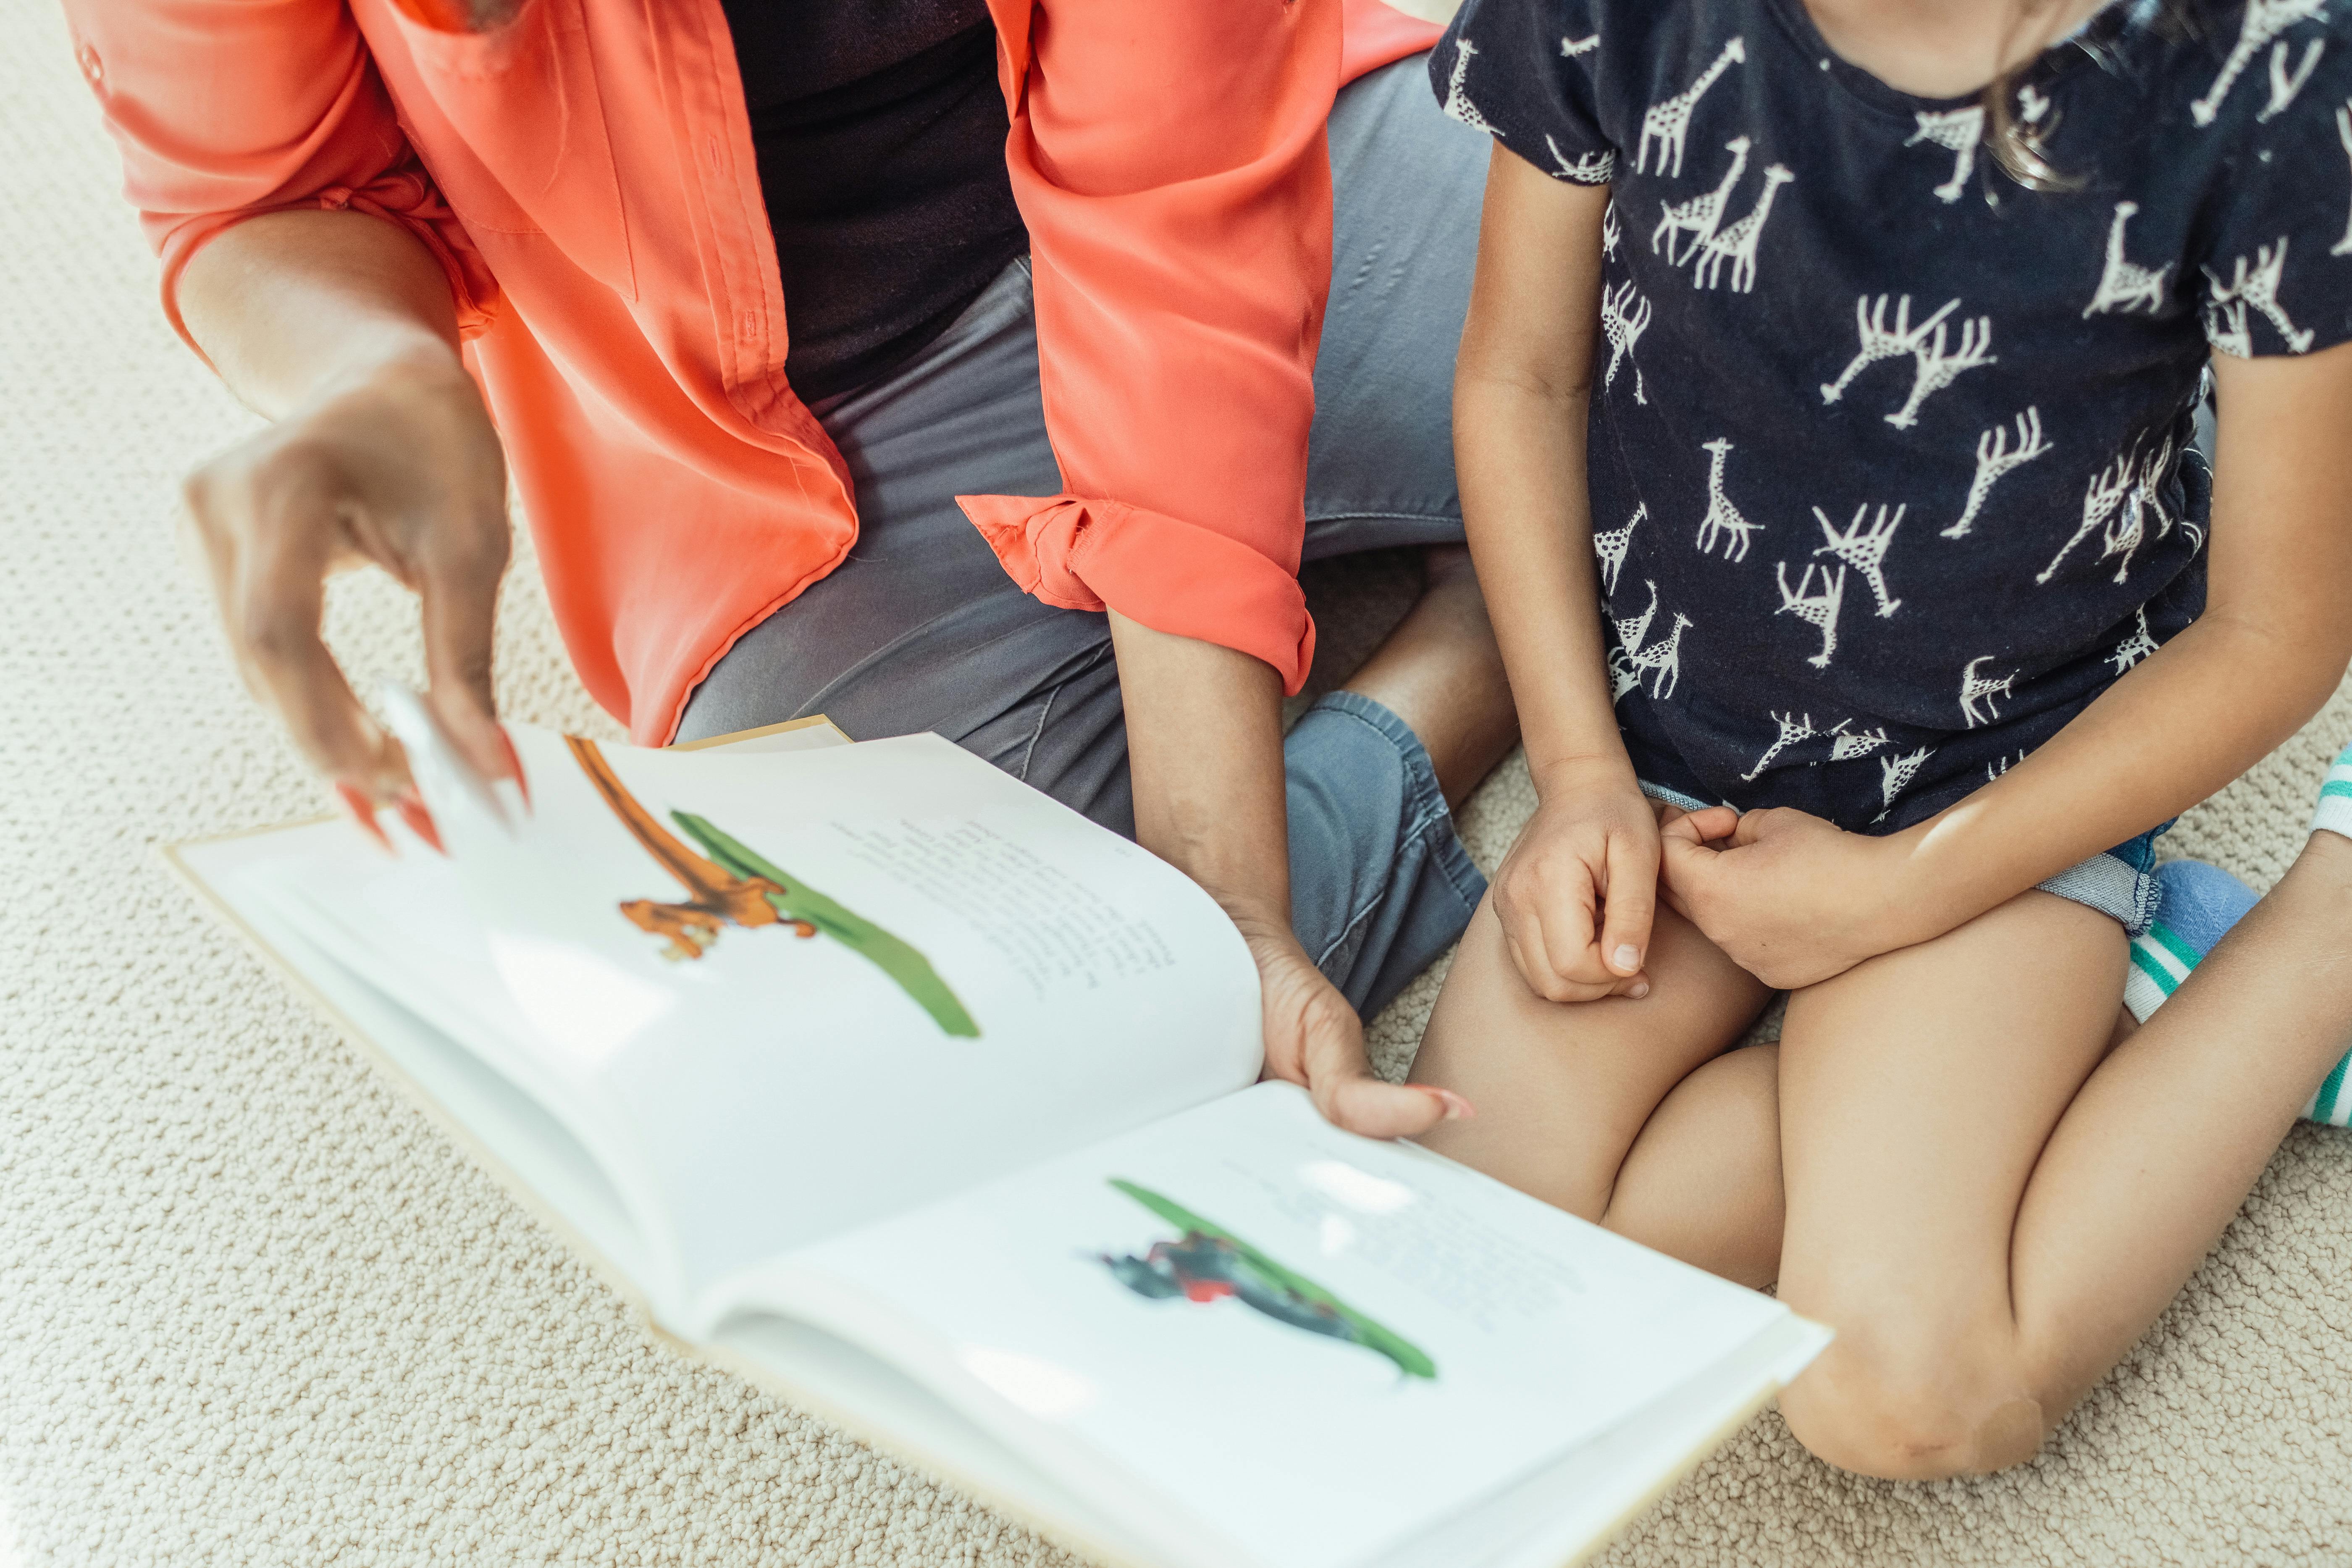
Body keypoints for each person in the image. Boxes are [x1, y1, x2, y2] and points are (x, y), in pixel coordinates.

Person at [66, 0, 1518, 1138]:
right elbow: (256, 190)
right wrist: (379, 373)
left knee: (1706, 326)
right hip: (772, 457)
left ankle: (1523, 570)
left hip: (1248, 178)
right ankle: (1484, 640)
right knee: (993, 993)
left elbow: (1175, 216)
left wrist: (1229, 887)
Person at [1412, 0, 2352, 1480]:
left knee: (1902, 1402)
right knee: (1491, 1284)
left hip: (2012, 776)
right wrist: (1578, 772)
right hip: (1664, 750)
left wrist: (1903, 892)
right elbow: (1521, 375)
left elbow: (2278, 634)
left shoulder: (2272, 67)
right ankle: (2058, 1052)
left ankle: (2318, 936)